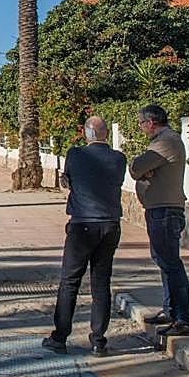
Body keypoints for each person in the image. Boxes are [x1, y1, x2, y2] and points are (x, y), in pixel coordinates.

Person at [42, 116, 127, 357]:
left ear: (85, 134)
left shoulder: (75, 154)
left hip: (82, 224)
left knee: (70, 281)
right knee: (101, 282)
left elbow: (68, 180)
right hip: (110, 225)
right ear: (106, 135)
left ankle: (60, 337)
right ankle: (98, 340)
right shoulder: (119, 158)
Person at [130, 104, 189, 337]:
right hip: (159, 209)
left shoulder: (166, 141)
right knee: (163, 260)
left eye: (140, 123)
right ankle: (170, 310)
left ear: (150, 122)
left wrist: (142, 169)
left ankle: (183, 318)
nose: (140, 128)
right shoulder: (161, 141)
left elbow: (137, 167)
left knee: (170, 263)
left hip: (166, 211)